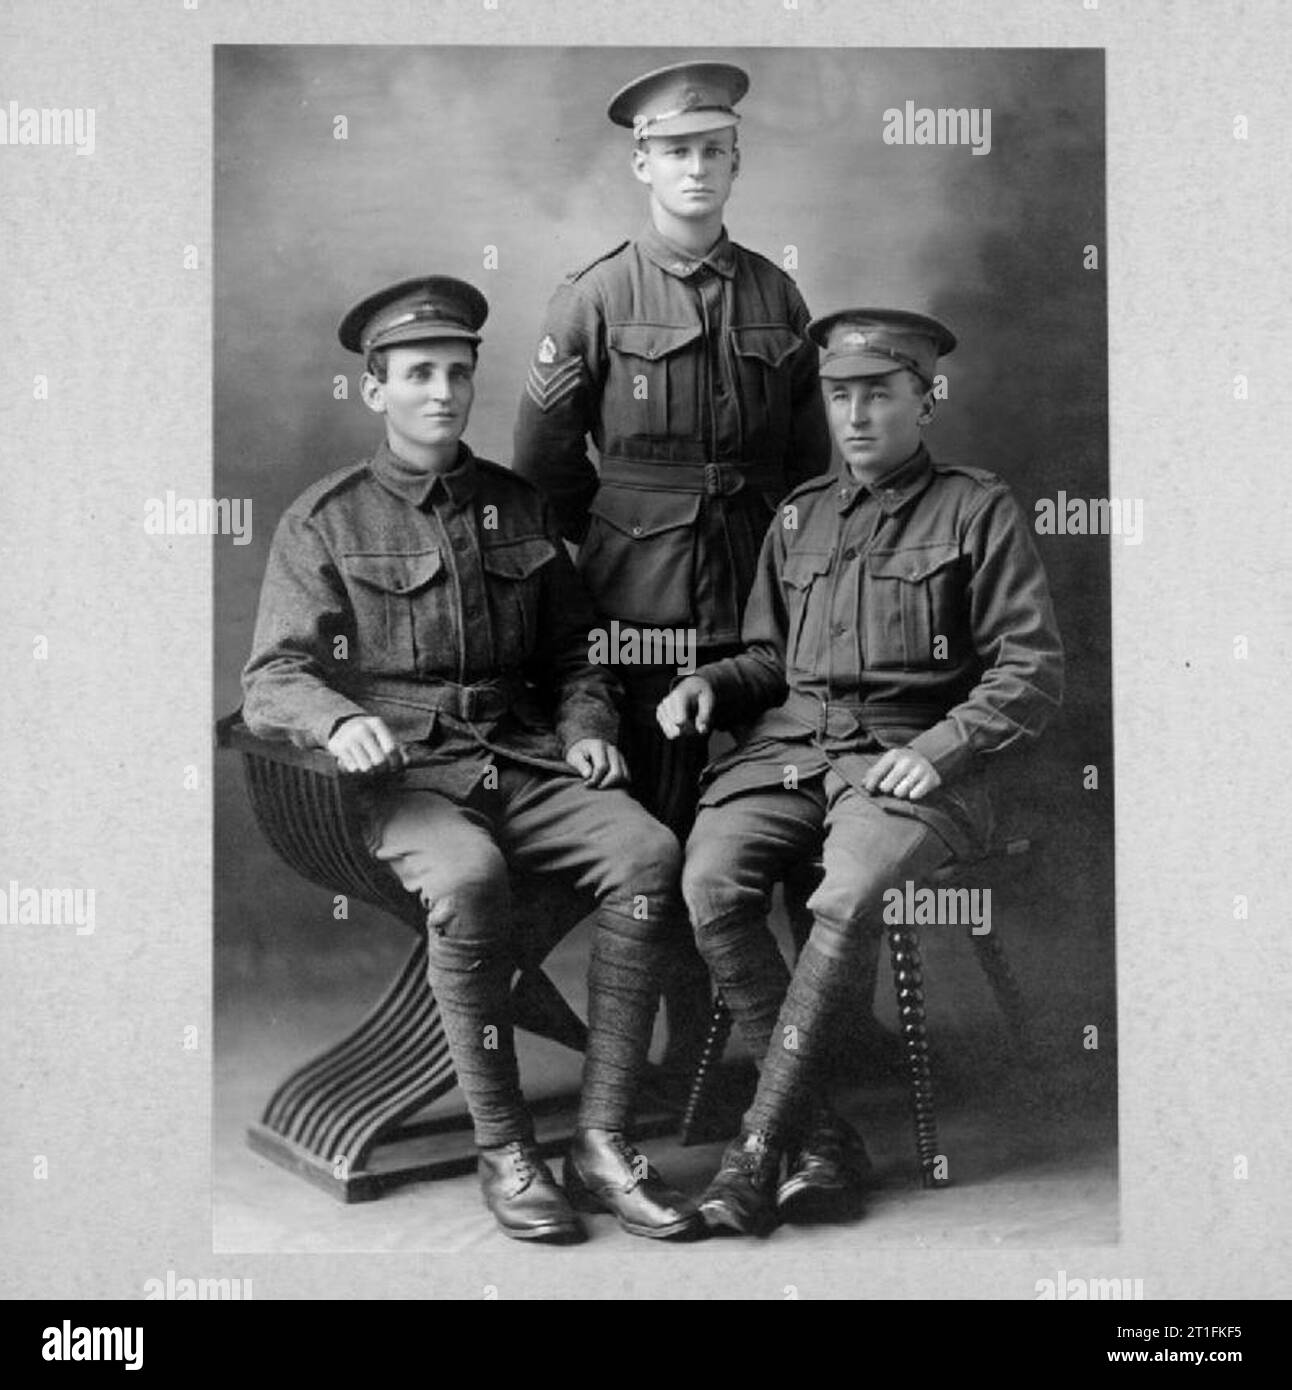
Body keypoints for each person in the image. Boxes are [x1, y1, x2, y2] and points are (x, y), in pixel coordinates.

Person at [242, 276, 701, 1243]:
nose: (442, 392)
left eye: (457, 372)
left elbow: (575, 653)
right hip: (402, 778)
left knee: (650, 854)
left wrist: (587, 729)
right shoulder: (325, 519)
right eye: (418, 374)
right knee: (468, 875)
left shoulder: (518, 504)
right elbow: (272, 677)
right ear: (375, 391)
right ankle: (507, 1147)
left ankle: (603, 1139)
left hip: (524, 758)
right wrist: (333, 722)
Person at [658, 308, 1065, 1233]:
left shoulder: (976, 506)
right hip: (791, 752)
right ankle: (822, 1136)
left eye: (878, 394)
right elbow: (767, 658)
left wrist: (939, 751)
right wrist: (707, 684)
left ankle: (759, 1146)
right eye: (839, 396)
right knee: (709, 880)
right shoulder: (798, 515)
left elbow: (1031, 670)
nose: (855, 416)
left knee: (844, 897)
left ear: (926, 399)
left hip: (907, 762)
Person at [512, 60, 833, 1077]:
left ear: (735, 161)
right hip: (635, 595)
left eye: (713, 150)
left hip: (753, 585)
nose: (695, 168)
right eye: (675, 151)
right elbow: (543, 475)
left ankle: (783, 1035)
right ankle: (662, 1048)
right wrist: (614, 557)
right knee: (658, 814)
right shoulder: (596, 295)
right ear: (641, 163)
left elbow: (806, 459)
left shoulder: (775, 291)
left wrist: (779, 569)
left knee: (771, 797)